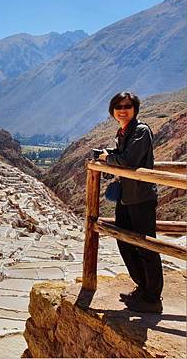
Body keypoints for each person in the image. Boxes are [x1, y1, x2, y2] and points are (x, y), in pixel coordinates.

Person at [98, 91, 163, 313]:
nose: (122, 110)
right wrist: (111, 154)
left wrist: (108, 158)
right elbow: (123, 155)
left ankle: (153, 297)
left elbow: (129, 160)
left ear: (134, 109)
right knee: (125, 240)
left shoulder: (141, 131)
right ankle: (142, 288)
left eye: (127, 106)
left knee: (145, 245)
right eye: (118, 106)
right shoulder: (123, 132)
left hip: (141, 198)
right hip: (127, 197)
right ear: (113, 111)